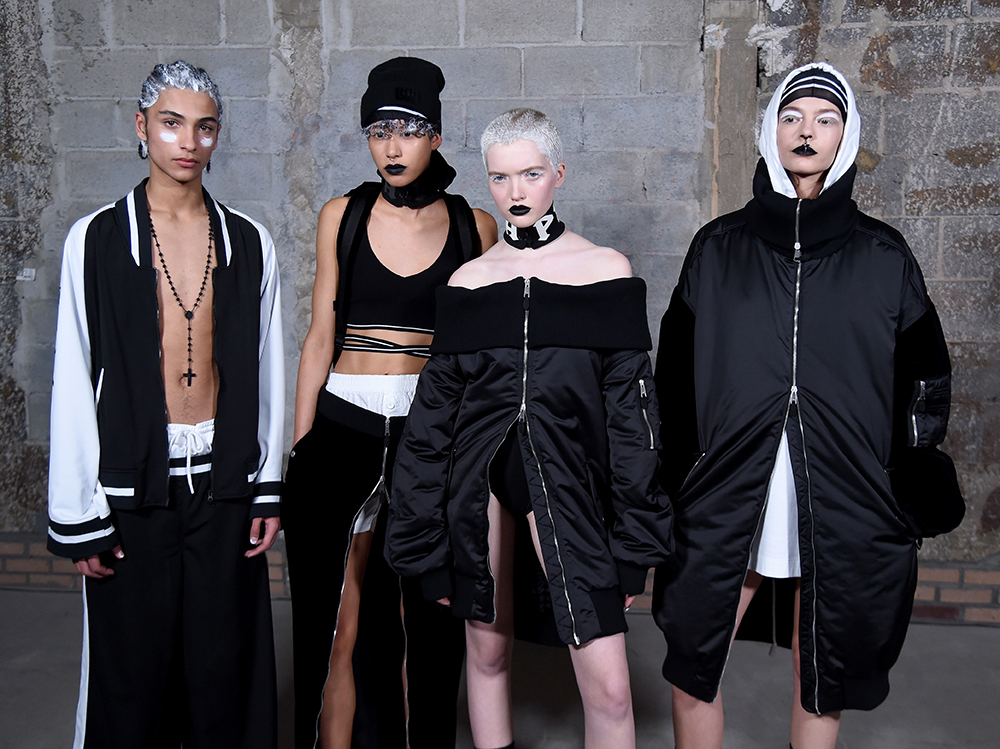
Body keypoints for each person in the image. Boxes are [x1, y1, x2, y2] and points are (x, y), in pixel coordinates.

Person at [652, 63, 956, 749]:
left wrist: (912, 469)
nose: (807, 131)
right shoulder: (718, 247)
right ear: (771, 132)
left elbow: (926, 375)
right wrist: (673, 469)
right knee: (694, 658)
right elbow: (672, 374)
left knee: (822, 667)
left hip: (844, 487)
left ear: (846, 137)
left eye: (825, 119)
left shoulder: (884, 255)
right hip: (729, 484)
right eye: (792, 117)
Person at [385, 108, 674, 749]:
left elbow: (635, 420)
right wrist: (423, 547)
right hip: (479, 488)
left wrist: (635, 546)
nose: (515, 192)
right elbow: (432, 428)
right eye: (500, 177)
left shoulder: (605, 270)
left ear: (559, 174)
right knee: (486, 655)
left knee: (610, 688)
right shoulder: (468, 282)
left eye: (531, 174)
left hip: (570, 485)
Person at [46, 61, 284, 748]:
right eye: (172, 123)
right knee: (132, 678)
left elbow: (267, 368)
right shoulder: (95, 239)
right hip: (132, 488)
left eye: (204, 127)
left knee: (224, 671)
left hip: (223, 484)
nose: (188, 141)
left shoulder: (249, 240)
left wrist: (266, 485)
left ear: (217, 136)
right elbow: (73, 377)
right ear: (141, 126)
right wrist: (80, 515)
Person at [282, 57, 497, 749]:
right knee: (335, 625)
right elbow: (320, 337)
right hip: (339, 427)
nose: (392, 147)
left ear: (436, 136)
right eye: (379, 132)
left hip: (426, 437)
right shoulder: (341, 216)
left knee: (422, 625)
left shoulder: (474, 226)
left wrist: (471, 462)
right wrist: (300, 451)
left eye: (407, 130)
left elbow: (478, 360)